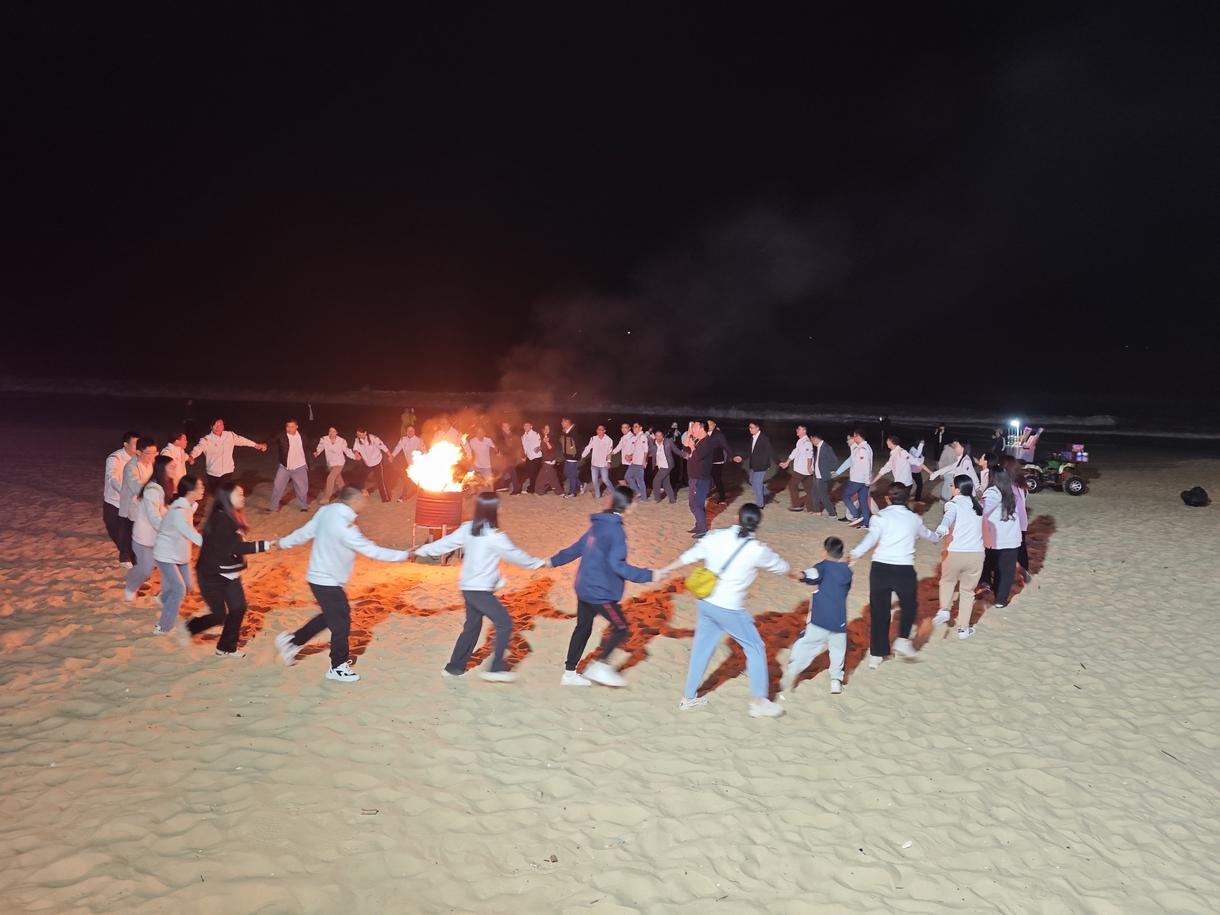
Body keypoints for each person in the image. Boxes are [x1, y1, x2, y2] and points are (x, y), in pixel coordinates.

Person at [659, 503, 788, 718]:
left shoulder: (716, 536)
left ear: (737, 518)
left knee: (702, 648)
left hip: (706, 602)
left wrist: (666, 569)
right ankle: (759, 702)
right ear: (757, 524)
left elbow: (689, 556)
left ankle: (689, 697)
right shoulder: (757, 550)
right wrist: (798, 575)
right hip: (729, 609)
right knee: (755, 648)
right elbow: (781, 567)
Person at [274, 486, 412, 681]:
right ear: (355, 501)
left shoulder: (326, 511)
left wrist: (284, 543)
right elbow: (373, 552)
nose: (366, 502)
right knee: (341, 624)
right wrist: (405, 554)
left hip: (318, 577)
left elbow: (305, 532)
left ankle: (292, 642)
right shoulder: (347, 528)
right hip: (327, 581)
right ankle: (337, 666)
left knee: (331, 617)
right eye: (364, 499)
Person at [414, 493, 549, 681]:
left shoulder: (468, 528)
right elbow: (515, 555)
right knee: (504, 623)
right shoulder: (495, 536)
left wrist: (421, 550)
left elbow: (445, 544)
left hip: (468, 587)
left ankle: (454, 668)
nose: (501, 508)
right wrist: (538, 564)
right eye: (498, 506)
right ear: (492, 509)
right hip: (480, 590)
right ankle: (494, 669)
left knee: (472, 626)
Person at [551, 486, 659, 687]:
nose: (636, 504)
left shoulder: (599, 523)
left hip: (584, 586)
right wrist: (649, 574)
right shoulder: (615, 529)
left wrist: (553, 561)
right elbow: (618, 565)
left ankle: (569, 674)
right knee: (620, 626)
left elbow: (576, 548)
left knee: (582, 628)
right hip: (599, 592)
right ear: (626, 504)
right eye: (634, 501)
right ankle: (600, 666)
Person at [180, 481, 275, 658]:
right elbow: (234, 547)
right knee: (219, 615)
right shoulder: (220, 519)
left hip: (229, 574)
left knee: (238, 608)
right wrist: (265, 545)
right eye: (238, 494)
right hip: (212, 576)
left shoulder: (231, 516)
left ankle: (225, 647)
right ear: (226, 497)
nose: (243, 497)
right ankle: (189, 627)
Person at [848, 483, 938, 667]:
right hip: (903, 570)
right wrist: (936, 538)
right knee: (909, 606)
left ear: (888, 498)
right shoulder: (914, 518)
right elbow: (928, 535)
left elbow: (871, 537)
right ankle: (902, 640)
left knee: (879, 611)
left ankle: (877, 654)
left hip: (880, 569)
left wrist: (856, 553)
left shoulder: (880, 517)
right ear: (907, 498)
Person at [780, 536, 852, 695]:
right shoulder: (847, 571)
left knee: (806, 644)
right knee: (838, 650)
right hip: (839, 621)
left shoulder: (822, 567)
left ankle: (792, 671)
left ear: (824, 552)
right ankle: (835, 681)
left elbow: (810, 574)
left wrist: (797, 574)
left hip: (820, 619)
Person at [930, 476, 986, 639]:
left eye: (953, 485)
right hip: (976, 554)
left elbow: (948, 518)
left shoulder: (953, 504)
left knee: (947, 581)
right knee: (968, 591)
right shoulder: (978, 506)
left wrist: (939, 532)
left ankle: (944, 610)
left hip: (956, 552)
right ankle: (963, 629)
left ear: (959, 489)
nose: (951, 487)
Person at [152, 475, 204, 635]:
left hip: (180, 554)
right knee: (179, 589)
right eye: (200, 486)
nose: (203, 489)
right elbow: (191, 533)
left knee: (188, 585)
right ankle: (163, 626)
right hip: (166, 555)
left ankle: (162, 599)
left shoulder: (187, 505)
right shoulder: (179, 512)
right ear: (190, 491)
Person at [125, 454, 172, 600]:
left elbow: (164, 509)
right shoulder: (152, 489)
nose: (175, 470)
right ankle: (131, 587)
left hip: (157, 537)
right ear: (162, 469)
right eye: (172, 467)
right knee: (145, 569)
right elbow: (153, 515)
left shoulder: (166, 484)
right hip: (145, 537)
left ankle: (167, 594)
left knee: (169, 565)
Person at [980, 466, 1022, 609]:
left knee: (1000, 568)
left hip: (997, 538)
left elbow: (982, 508)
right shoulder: (1010, 490)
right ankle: (1000, 599)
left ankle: (998, 597)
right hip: (1012, 538)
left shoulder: (992, 492)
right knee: (1006, 570)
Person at [190, 420, 267, 495]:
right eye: (215, 425)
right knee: (215, 493)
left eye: (220, 425)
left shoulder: (230, 435)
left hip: (227, 471)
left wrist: (255, 445)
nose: (218, 428)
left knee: (223, 493)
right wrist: (192, 456)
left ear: (223, 426)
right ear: (211, 427)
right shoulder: (206, 440)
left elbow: (243, 440)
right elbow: (199, 448)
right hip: (212, 472)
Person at [120, 437, 159, 568]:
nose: (152, 456)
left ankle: (145, 561)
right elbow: (136, 487)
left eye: (155, 453)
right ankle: (137, 566)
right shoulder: (131, 467)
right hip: (133, 508)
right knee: (134, 537)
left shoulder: (151, 464)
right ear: (138, 452)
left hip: (146, 507)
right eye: (149, 453)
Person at [104, 431, 141, 567]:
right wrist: (123, 490)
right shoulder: (115, 458)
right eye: (135, 443)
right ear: (125, 444)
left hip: (130, 503)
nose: (138, 446)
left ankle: (128, 558)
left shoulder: (140, 459)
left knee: (128, 531)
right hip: (113, 501)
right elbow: (112, 477)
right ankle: (128, 555)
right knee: (113, 529)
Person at [266, 419, 312, 513]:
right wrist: (265, 444)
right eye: (287, 426)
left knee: (302, 488)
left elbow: (308, 445)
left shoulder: (303, 436)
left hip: (300, 466)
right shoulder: (281, 435)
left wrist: (315, 450)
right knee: (277, 486)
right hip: (284, 467)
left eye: (292, 426)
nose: (289, 429)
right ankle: (273, 507)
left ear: (296, 427)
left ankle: (303, 506)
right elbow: (272, 439)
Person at [999, 454, 1032, 582]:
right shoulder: (1021, 484)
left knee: (1005, 550)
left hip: (1012, 522)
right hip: (1022, 521)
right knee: (1021, 547)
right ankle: (1024, 569)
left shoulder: (1008, 486)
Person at [836, 430, 874, 528]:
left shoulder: (861, 449)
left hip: (858, 479)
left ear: (857, 436)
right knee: (863, 501)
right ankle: (866, 523)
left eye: (854, 436)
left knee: (846, 496)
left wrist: (867, 480)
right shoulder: (866, 447)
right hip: (863, 479)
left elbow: (865, 465)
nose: (852, 438)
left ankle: (856, 516)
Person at [683, 421, 714, 538]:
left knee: (696, 504)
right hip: (694, 477)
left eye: (694, 428)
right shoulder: (698, 441)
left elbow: (697, 456)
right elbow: (685, 449)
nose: (693, 429)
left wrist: (692, 446)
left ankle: (703, 528)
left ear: (702, 429)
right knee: (694, 503)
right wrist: (689, 436)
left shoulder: (707, 442)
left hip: (700, 477)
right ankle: (699, 525)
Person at [736, 421, 776, 508]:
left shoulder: (763, 438)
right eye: (749, 427)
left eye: (752, 427)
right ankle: (768, 494)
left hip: (762, 465)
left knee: (757, 484)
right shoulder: (753, 437)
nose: (750, 429)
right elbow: (750, 451)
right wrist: (742, 458)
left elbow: (771, 451)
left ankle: (760, 505)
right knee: (752, 480)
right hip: (755, 464)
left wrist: (779, 462)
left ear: (758, 428)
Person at [314, 427, 356, 505]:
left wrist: (354, 457)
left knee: (330, 478)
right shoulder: (324, 439)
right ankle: (347, 495)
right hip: (330, 464)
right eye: (330, 431)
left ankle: (326, 498)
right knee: (339, 481)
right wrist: (317, 452)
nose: (331, 433)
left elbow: (347, 450)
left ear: (337, 432)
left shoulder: (341, 441)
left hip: (339, 463)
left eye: (334, 432)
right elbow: (320, 446)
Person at [779, 425, 814, 513]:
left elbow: (809, 456)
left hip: (803, 470)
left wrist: (809, 467)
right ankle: (811, 508)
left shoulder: (806, 442)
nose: (797, 430)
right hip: (804, 469)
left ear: (804, 431)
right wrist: (787, 462)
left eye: (799, 429)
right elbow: (794, 452)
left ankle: (796, 505)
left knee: (792, 485)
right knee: (809, 489)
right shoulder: (800, 441)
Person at [351, 427, 392, 502]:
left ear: (365, 432)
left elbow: (383, 446)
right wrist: (356, 453)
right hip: (367, 463)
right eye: (358, 435)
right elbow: (355, 448)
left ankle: (385, 498)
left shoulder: (373, 439)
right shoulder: (357, 440)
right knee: (361, 479)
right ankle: (358, 494)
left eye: (360, 434)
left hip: (377, 462)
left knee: (380, 480)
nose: (359, 436)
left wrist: (390, 455)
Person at [615, 422, 649, 501]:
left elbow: (645, 449)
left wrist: (644, 460)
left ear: (640, 428)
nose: (634, 428)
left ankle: (644, 498)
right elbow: (634, 449)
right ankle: (637, 492)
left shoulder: (642, 437)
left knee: (640, 480)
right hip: (634, 462)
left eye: (636, 427)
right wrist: (629, 455)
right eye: (633, 427)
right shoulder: (636, 437)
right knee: (627, 476)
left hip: (639, 462)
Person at [391, 424, 426, 502]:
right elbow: (397, 448)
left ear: (414, 431)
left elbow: (424, 451)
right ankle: (403, 496)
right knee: (407, 479)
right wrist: (392, 456)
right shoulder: (403, 440)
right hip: (409, 464)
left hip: (418, 464)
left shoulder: (419, 440)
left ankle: (424, 495)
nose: (409, 432)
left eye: (411, 430)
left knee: (419, 480)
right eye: (408, 430)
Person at [809, 433, 839, 518]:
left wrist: (832, 471)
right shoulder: (818, 448)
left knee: (823, 495)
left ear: (815, 439)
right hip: (817, 475)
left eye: (812, 440)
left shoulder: (826, 447)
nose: (812, 442)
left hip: (823, 475)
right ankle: (817, 511)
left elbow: (833, 459)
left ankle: (832, 513)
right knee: (815, 492)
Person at [705, 420, 735, 506]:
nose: (709, 426)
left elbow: (726, 446)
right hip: (707, 461)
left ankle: (722, 499)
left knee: (717, 480)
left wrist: (733, 456)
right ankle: (705, 494)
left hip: (717, 461)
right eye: (707, 424)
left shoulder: (718, 435)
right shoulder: (705, 433)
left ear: (714, 425)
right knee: (705, 478)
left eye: (710, 424)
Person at [648, 428, 683, 503]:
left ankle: (657, 499)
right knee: (666, 483)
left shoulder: (668, 441)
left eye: (660, 436)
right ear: (655, 436)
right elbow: (648, 451)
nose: (659, 437)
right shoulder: (652, 442)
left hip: (667, 465)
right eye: (657, 436)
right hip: (659, 465)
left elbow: (676, 450)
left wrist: (684, 455)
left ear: (663, 436)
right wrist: (643, 459)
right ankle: (672, 500)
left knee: (656, 481)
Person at [582, 425, 615, 498]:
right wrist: (583, 455)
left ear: (604, 431)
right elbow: (588, 448)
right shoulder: (593, 438)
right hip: (594, 463)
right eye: (598, 429)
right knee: (594, 480)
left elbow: (610, 451)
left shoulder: (609, 440)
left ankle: (613, 492)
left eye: (601, 430)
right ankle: (597, 495)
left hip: (603, 464)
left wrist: (609, 461)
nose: (599, 431)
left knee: (605, 480)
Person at [535, 424, 565, 495]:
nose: (546, 430)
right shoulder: (543, 438)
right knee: (553, 478)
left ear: (550, 430)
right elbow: (545, 448)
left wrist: (547, 442)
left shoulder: (552, 438)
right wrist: (539, 448)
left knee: (541, 478)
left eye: (548, 429)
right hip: (548, 460)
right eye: (545, 429)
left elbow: (551, 449)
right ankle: (559, 492)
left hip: (549, 461)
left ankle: (539, 492)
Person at [497, 422, 524, 495]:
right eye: (503, 427)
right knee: (499, 471)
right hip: (503, 457)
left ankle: (516, 490)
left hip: (511, 457)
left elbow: (519, 446)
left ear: (509, 426)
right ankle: (504, 486)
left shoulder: (514, 436)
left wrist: (523, 456)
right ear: (502, 428)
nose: (505, 428)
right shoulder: (500, 436)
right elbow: (498, 445)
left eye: (506, 426)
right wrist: (498, 452)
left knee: (512, 473)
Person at [559, 418, 582, 497]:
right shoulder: (564, 432)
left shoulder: (574, 433)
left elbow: (579, 445)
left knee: (572, 475)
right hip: (567, 457)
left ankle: (572, 493)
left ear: (567, 422)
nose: (561, 423)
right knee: (566, 473)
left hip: (573, 457)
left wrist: (578, 456)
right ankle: (581, 484)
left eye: (563, 422)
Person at [521, 422, 543, 494]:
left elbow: (540, 444)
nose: (526, 427)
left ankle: (534, 489)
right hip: (529, 457)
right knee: (531, 474)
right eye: (524, 426)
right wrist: (524, 456)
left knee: (534, 474)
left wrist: (539, 448)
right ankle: (532, 489)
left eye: (527, 425)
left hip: (536, 457)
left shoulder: (536, 434)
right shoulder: (523, 436)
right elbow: (524, 447)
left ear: (531, 426)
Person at [908, 438, 926, 503]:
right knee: (909, 485)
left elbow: (921, 459)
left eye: (923, 443)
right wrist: (921, 445)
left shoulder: (920, 450)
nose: (923, 444)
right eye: (921, 443)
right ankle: (916, 499)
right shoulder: (912, 449)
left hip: (917, 471)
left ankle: (917, 499)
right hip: (912, 471)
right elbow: (917, 455)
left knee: (918, 485)